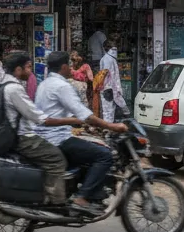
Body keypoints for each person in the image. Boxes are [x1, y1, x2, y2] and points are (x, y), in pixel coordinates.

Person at [35, 50, 128, 211]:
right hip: (58, 139)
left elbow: (64, 112)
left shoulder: (44, 84)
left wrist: (78, 122)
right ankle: (82, 197)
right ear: (64, 66)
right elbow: (85, 115)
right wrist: (112, 126)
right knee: (104, 155)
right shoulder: (63, 86)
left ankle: (87, 191)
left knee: (89, 150)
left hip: (46, 138)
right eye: (69, 65)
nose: (71, 68)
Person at [0, 51, 82, 207]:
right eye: (28, 67)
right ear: (18, 69)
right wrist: (73, 120)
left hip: (12, 135)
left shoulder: (3, 84)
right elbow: (40, 118)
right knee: (57, 159)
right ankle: (56, 201)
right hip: (23, 138)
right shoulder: (14, 89)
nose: (30, 71)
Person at [96, 37, 126, 122]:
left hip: (111, 88)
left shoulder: (110, 58)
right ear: (108, 48)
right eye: (113, 47)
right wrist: (110, 88)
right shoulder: (107, 59)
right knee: (108, 111)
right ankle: (107, 130)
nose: (115, 49)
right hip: (108, 88)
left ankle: (109, 129)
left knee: (110, 111)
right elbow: (106, 74)